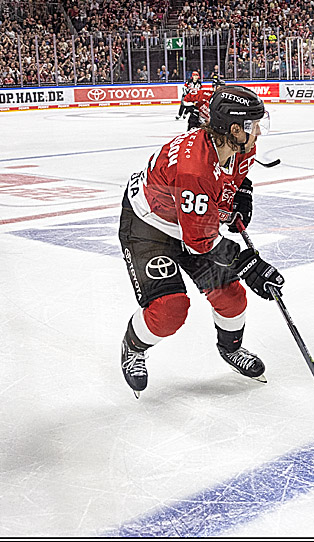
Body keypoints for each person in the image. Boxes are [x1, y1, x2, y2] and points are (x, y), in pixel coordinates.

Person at [118, 85, 285, 397]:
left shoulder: (240, 146)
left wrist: (242, 194)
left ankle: (230, 349)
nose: (260, 131)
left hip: (190, 221)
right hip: (149, 226)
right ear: (235, 129)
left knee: (231, 297)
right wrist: (247, 264)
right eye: (254, 124)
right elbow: (200, 241)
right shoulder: (194, 168)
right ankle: (133, 346)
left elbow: (234, 179)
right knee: (169, 310)